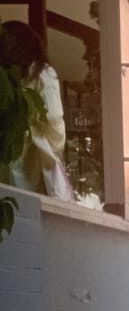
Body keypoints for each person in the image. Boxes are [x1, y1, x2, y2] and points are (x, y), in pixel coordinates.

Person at [0, 20, 74, 200]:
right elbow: (54, 121)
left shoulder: (5, 79)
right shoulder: (42, 74)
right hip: (35, 170)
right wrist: (55, 152)